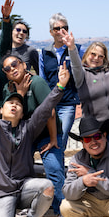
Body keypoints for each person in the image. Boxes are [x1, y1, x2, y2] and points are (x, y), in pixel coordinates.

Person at [0, 56, 70, 217]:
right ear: (1, 110)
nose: (14, 105)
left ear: (22, 112)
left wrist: (60, 86)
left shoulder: (28, 128)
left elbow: (45, 109)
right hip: (0, 193)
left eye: (19, 104)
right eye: (10, 103)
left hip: (22, 188)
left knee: (47, 186)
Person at [0, 53, 72, 217]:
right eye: (7, 68)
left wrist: (54, 139)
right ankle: (29, 205)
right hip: (27, 134)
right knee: (22, 169)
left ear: (24, 65)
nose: (12, 69)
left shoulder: (37, 82)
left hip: (48, 132)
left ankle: (62, 212)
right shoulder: (8, 89)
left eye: (15, 64)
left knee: (54, 168)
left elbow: (50, 112)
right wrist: (21, 94)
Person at [65, 33, 109, 145]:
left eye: (100, 56)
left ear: (104, 58)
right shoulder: (82, 75)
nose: (96, 58)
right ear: (86, 54)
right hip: (94, 128)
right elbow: (76, 65)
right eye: (93, 54)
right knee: (98, 160)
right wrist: (72, 48)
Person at [40, 13, 82, 148]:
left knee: (61, 139)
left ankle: (59, 167)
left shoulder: (77, 49)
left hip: (68, 104)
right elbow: (43, 79)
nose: (60, 31)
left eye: (64, 27)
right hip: (50, 103)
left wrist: (72, 48)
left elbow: (83, 72)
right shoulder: (44, 53)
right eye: (57, 28)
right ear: (51, 32)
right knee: (49, 138)